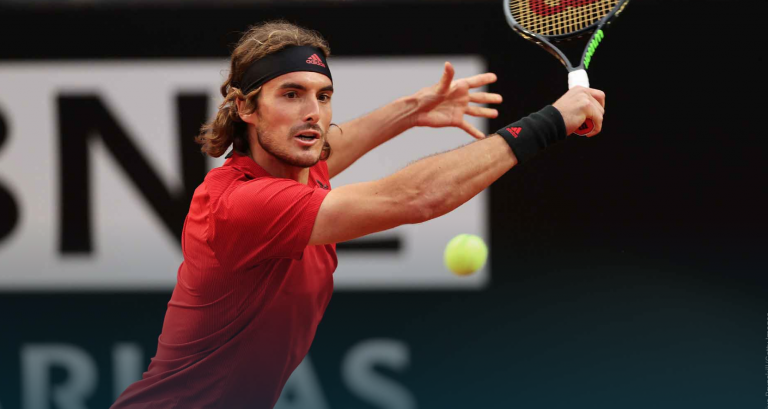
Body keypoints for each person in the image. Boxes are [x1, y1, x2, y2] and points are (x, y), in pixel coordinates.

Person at [111, 20, 605, 409]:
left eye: (323, 96)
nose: (313, 112)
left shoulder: (297, 167)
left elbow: (330, 146)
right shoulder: (243, 205)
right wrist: (550, 121)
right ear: (245, 107)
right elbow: (416, 197)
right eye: (291, 94)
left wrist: (413, 108)